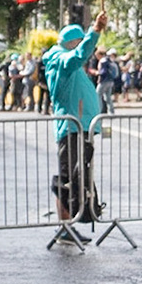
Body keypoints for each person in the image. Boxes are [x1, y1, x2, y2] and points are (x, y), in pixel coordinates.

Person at [42, 14, 107, 222]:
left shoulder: (67, 62)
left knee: (74, 176)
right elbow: (80, 55)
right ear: (74, 43)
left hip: (80, 127)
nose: (87, 52)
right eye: (81, 44)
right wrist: (95, 30)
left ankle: (70, 223)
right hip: (71, 127)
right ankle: (65, 225)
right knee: (67, 177)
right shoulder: (61, 60)